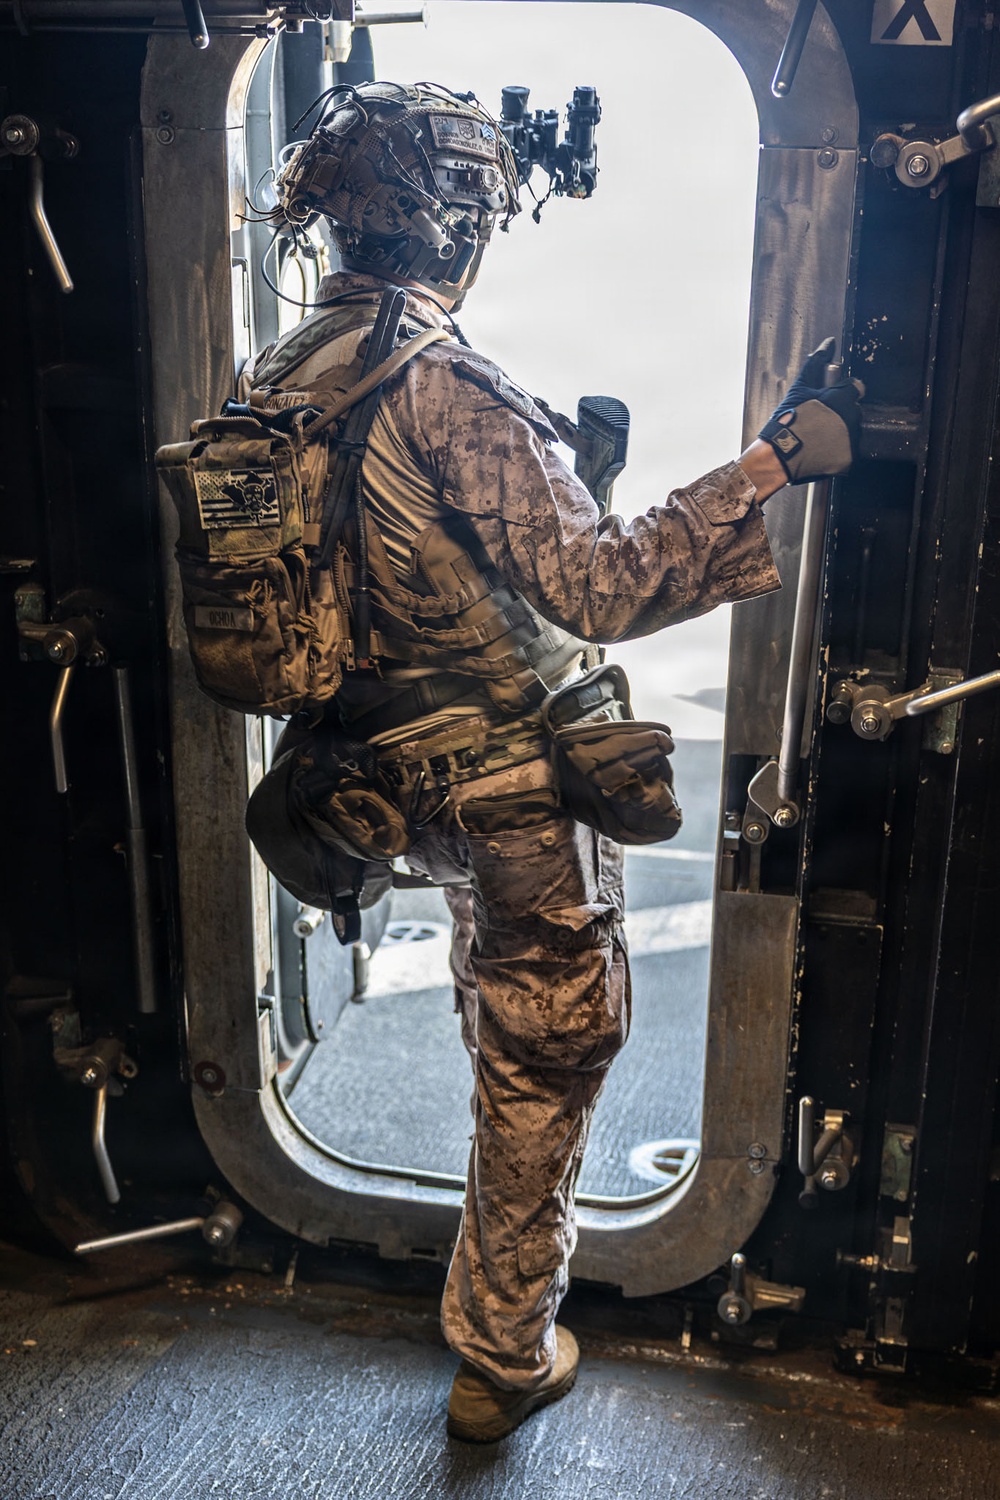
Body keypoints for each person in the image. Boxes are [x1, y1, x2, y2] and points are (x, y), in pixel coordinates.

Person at [246, 80, 862, 1442]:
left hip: (362, 779)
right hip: (505, 785)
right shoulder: (450, 383)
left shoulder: (276, 376)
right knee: (545, 1053)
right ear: (457, 226)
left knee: (499, 1007)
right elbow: (600, 584)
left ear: (332, 220)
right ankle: (502, 1355)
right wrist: (768, 464)